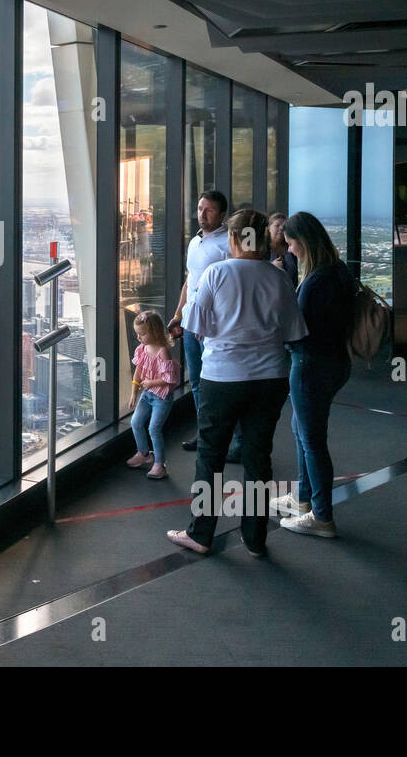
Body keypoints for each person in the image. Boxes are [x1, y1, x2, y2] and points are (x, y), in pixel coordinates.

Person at [167, 209, 308, 557]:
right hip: (270, 378)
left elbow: (197, 326)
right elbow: (294, 333)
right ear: (262, 239)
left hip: (222, 378)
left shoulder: (216, 273)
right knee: (258, 457)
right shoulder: (279, 279)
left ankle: (201, 533)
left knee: (210, 458)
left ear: (233, 239)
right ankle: (255, 537)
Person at [269, 212, 354, 538]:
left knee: (312, 441)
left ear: (303, 240)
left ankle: (321, 515)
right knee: (302, 430)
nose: (289, 251)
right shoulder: (337, 270)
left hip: (310, 366)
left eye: (290, 243)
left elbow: (298, 331)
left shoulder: (317, 281)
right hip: (334, 363)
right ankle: (304, 498)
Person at [168, 190, 243, 463]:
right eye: (200, 208)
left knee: (224, 385)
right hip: (190, 324)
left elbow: (232, 287)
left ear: (222, 214)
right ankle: (206, 435)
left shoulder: (228, 244)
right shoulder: (195, 243)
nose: (202, 214)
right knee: (198, 384)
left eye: (209, 210)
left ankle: (238, 442)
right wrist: (179, 315)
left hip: (214, 327)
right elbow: (191, 280)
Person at [127, 311, 182, 479]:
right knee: (135, 423)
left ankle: (160, 464)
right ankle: (144, 453)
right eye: (137, 334)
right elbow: (139, 371)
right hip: (147, 395)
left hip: (162, 397)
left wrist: (151, 383)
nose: (139, 337)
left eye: (142, 334)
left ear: (155, 332)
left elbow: (169, 378)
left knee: (154, 429)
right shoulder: (142, 349)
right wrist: (133, 393)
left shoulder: (163, 352)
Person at [268, 212, 298, 291]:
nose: (281, 228)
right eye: (277, 225)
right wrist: (271, 267)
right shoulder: (262, 249)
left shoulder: (292, 249)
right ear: (269, 228)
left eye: (284, 226)